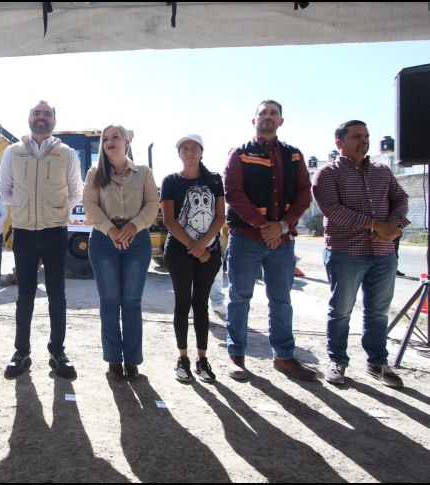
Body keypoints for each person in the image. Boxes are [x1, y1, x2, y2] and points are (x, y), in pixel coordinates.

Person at [312, 120, 409, 389]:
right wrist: (376, 225)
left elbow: (400, 199)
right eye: (356, 136)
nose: (363, 141)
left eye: (366, 136)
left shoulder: (383, 171)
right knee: (341, 310)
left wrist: (394, 226)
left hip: (383, 252)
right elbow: (333, 209)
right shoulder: (327, 174)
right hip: (346, 252)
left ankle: (377, 362)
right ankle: (337, 361)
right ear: (339, 142)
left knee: (378, 312)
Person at [223, 100, 316, 381]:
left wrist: (283, 226)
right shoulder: (239, 153)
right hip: (246, 238)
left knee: (281, 299)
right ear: (254, 120)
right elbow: (233, 192)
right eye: (262, 113)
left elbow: (303, 193)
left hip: (282, 240)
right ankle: (236, 356)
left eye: (273, 113)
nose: (267, 117)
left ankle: (284, 357)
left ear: (281, 121)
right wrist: (265, 225)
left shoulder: (294, 156)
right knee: (239, 297)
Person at [0, 100, 83, 379]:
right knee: (25, 295)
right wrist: (25, 209)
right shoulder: (13, 152)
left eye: (47, 114)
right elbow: (5, 190)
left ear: (54, 122)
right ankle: (21, 352)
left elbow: (75, 192)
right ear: (29, 118)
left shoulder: (67, 154)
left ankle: (57, 352)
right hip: (23, 232)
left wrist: (55, 213)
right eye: (37, 113)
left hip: (54, 232)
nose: (41, 117)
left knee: (57, 295)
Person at [83, 124, 157, 380]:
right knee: (110, 301)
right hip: (105, 242)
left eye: (116, 137)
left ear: (127, 143)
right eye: (106, 138)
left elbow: (152, 204)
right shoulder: (95, 173)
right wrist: (111, 230)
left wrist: (134, 226)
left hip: (137, 241)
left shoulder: (144, 173)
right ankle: (114, 359)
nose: (110, 141)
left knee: (132, 303)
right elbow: (90, 205)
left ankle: (133, 360)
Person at [161, 134, 225, 383]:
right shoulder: (170, 181)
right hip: (180, 252)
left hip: (210, 251)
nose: (189, 151)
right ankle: (183, 358)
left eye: (194, 147)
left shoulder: (214, 180)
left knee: (201, 304)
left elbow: (220, 217)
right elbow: (169, 220)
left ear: (201, 151)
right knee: (182, 303)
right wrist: (194, 246)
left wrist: (204, 245)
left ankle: (202, 359)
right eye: (184, 148)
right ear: (179, 153)